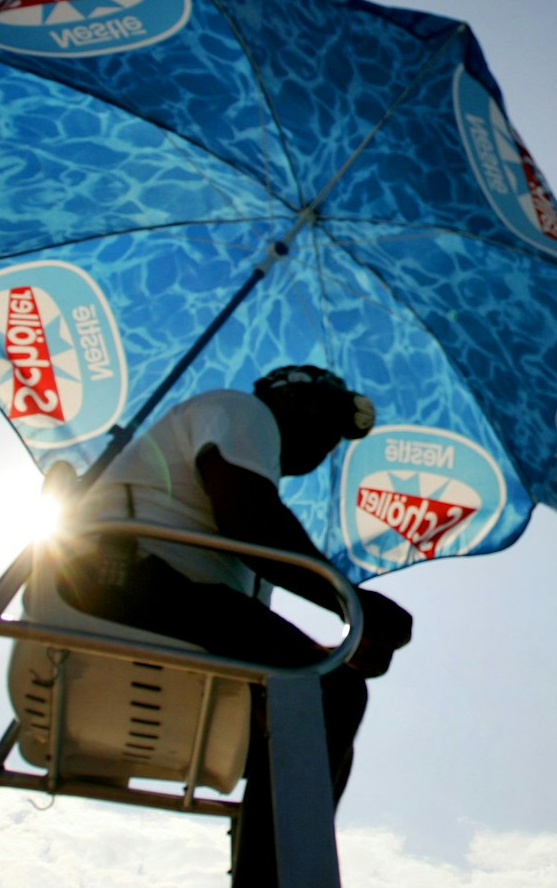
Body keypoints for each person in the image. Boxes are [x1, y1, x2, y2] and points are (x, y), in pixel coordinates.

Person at [53, 364, 412, 883]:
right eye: (329, 416)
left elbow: (245, 555)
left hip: (131, 591)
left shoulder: (230, 456)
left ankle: (272, 870)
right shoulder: (246, 411)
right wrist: (352, 606)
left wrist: (339, 644)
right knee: (329, 693)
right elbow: (251, 520)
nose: (331, 438)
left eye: (340, 434)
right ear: (291, 397)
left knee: (328, 694)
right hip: (123, 579)